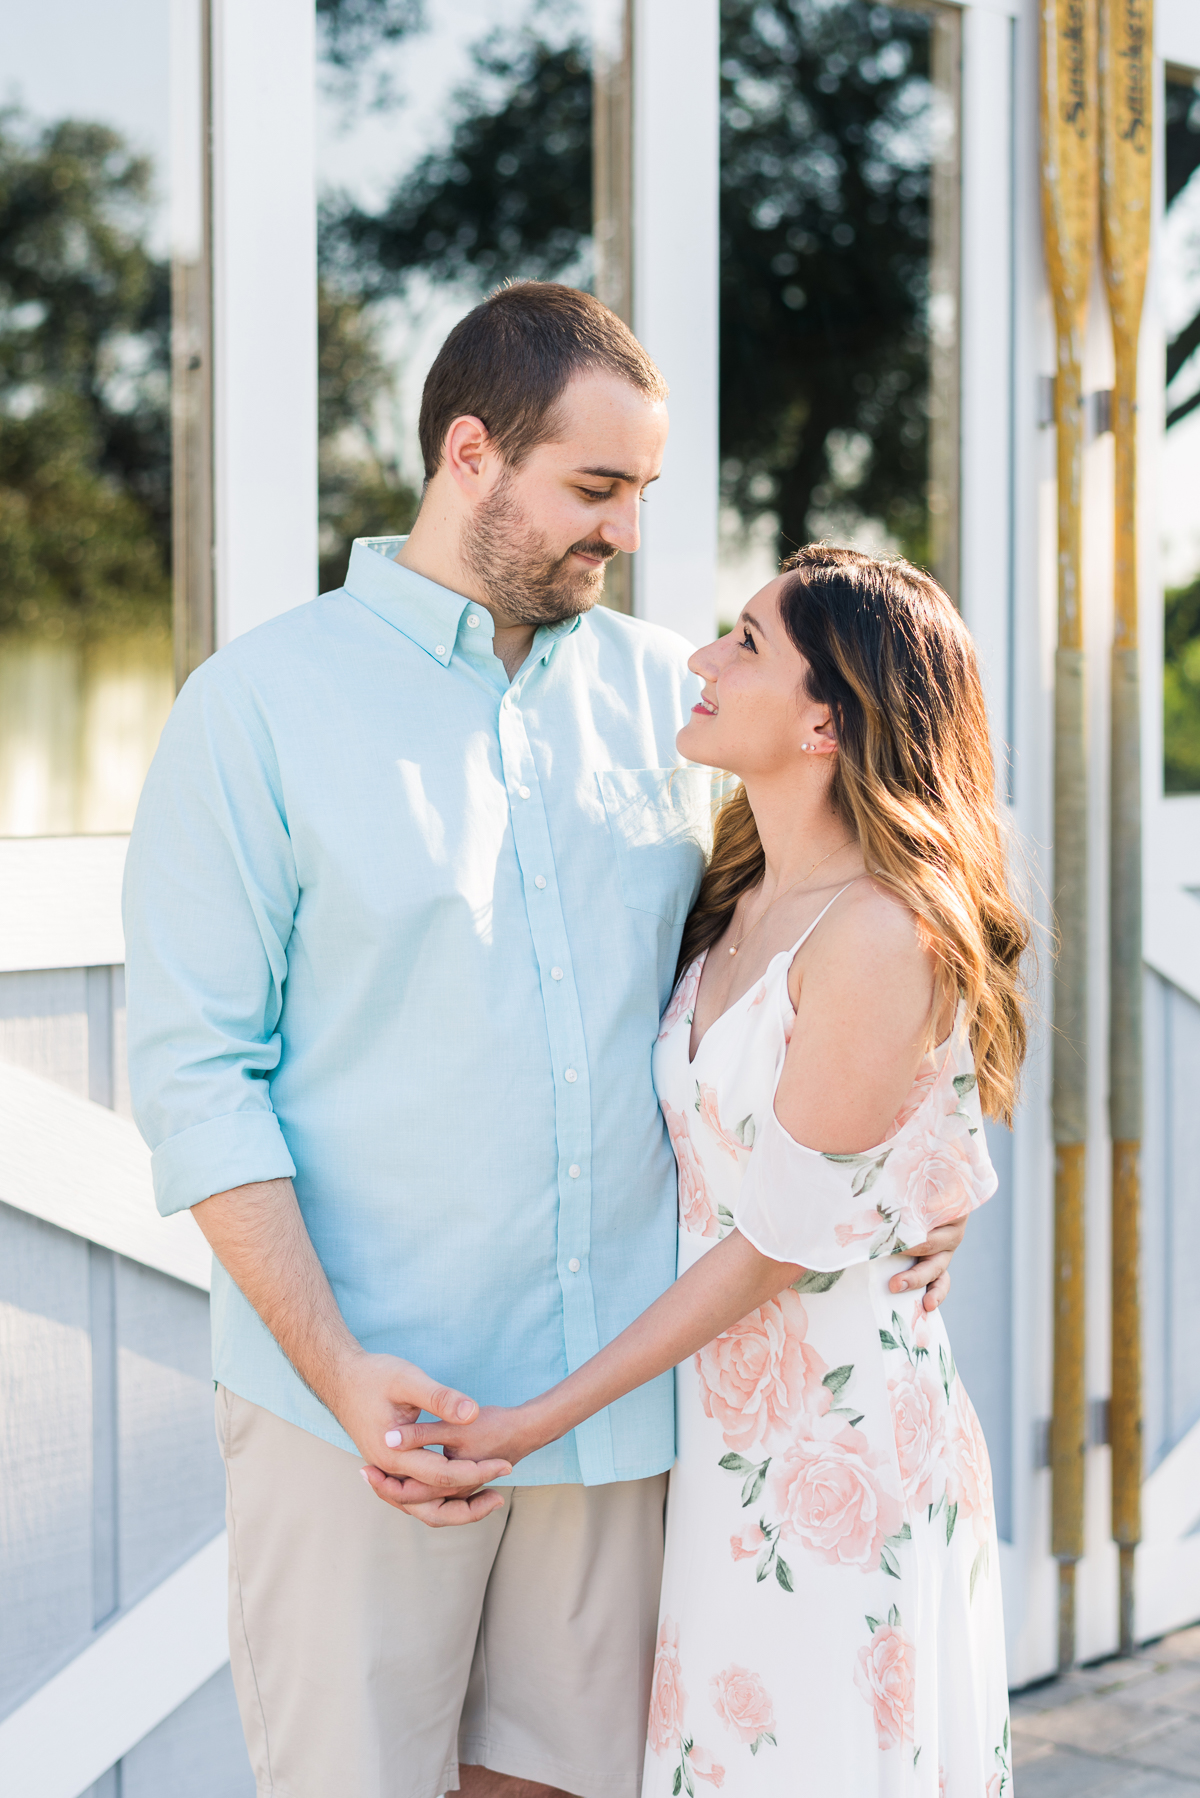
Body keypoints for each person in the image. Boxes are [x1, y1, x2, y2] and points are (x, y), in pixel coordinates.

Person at [123, 285, 964, 1798]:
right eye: (595, 488)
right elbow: (196, 1077)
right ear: (469, 454)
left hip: (624, 1420)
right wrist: (333, 1364)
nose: (628, 531)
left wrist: (924, 1162)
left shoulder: (682, 701)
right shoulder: (256, 709)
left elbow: (866, 925)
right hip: (367, 1402)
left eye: (642, 491)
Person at [393, 546, 1028, 1796]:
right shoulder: (733, 890)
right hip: (726, 1443)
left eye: (744, 641)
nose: (699, 659)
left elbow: (783, 1239)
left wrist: (534, 1420)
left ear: (823, 720)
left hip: (834, 1447)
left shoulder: (879, 929)